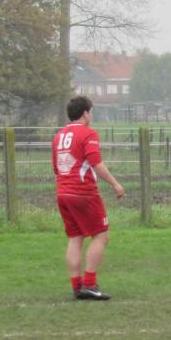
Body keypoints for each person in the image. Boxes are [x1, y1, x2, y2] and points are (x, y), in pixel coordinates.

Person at [52, 95, 125, 300]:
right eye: (91, 112)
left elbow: (56, 167)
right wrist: (115, 184)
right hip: (83, 192)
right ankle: (90, 284)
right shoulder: (88, 133)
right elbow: (96, 163)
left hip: (63, 192)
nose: (91, 115)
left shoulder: (59, 136)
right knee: (101, 235)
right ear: (85, 113)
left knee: (75, 238)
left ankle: (77, 286)